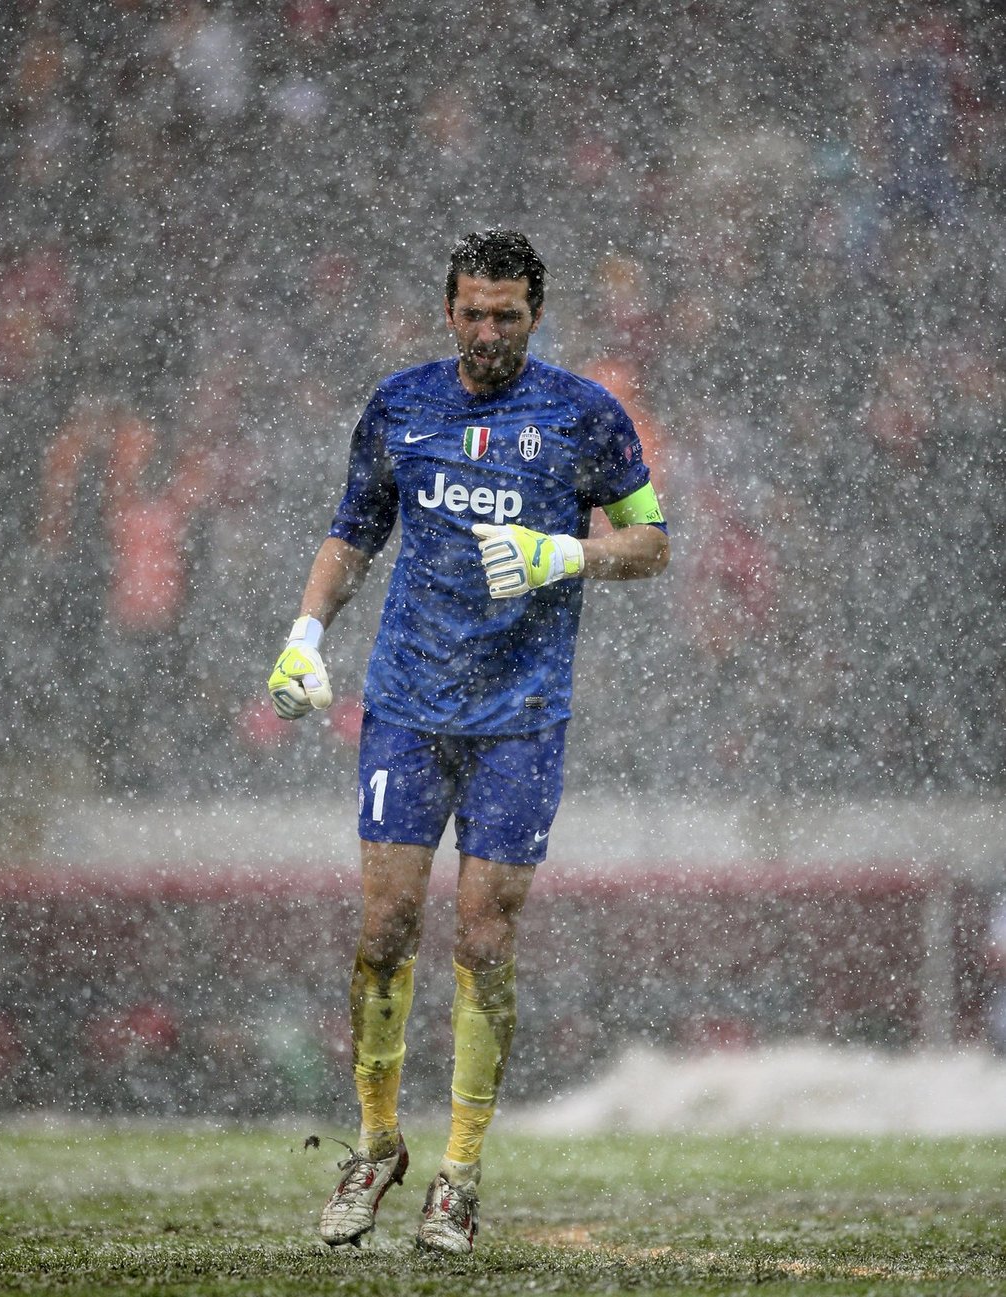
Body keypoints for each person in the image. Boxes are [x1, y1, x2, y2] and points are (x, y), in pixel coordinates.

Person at [267, 230, 669, 1254]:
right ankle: (373, 1144)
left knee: (486, 935)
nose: (488, 332)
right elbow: (354, 531)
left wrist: (561, 552)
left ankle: (459, 1171)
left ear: (537, 314)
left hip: (521, 716)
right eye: (472, 313)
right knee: (384, 930)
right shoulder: (402, 405)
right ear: (447, 312)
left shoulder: (586, 414)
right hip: (407, 703)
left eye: (507, 315)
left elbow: (653, 542)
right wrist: (305, 636)